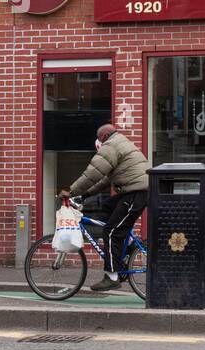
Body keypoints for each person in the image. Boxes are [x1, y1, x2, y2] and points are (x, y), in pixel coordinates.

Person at [59, 123, 150, 292]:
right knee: (108, 206)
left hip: (136, 193)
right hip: (134, 192)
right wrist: (84, 195)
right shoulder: (121, 142)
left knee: (110, 232)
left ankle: (112, 276)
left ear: (102, 137)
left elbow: (92, 173)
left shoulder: (111, 146)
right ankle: (128, 244)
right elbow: (105, 181)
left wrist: (71, 191)